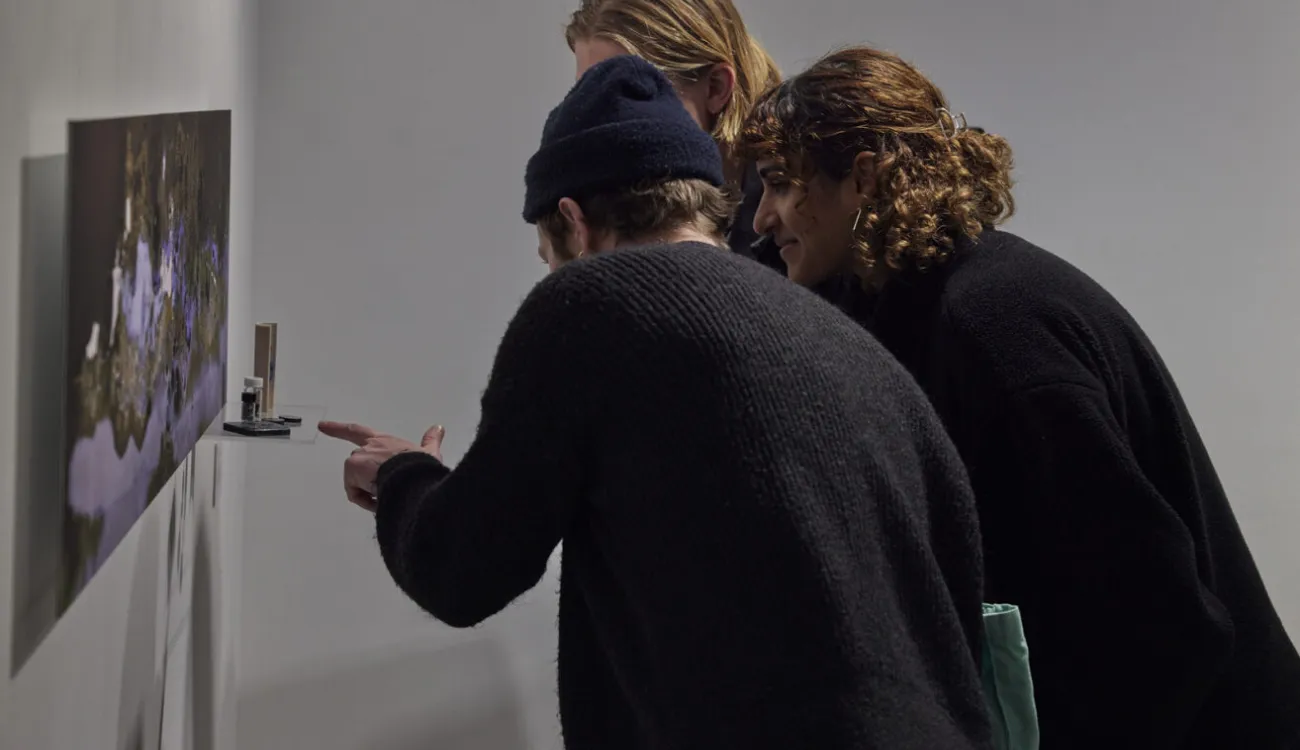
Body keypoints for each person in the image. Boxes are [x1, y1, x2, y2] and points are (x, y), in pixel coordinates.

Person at [321, 55, 994, 749]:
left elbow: (461, 568)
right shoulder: (845, 340)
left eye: (547, 253)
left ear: (574, 223)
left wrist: (405, 476)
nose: (551, 271)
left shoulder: (591, 304)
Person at [740, 45, 1300, 750]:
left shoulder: (996, 330)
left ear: (863, 178)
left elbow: (1159, 621)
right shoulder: (899, 299)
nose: (762, 218)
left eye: (780, 185)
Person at [563, 0, 786, 270]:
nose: (596, 123)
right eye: (585, 96)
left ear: (715, 88)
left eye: (629, 94)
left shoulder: (800, 215)